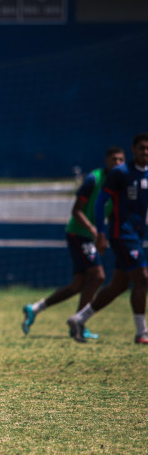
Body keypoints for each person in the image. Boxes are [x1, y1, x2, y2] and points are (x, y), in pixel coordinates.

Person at [21, 146, 125, 337]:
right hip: (79, 233)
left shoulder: (121, 184)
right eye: (114, 159)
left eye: (121, 160)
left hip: (92, 235)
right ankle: (79, 323)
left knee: (78, 284)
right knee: (99, 276)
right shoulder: (94, 179)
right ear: (106, 160)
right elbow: (76, 211)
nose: (117, 163)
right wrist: (94, 231)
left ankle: (35, 308)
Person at [67, 133, 148, 344]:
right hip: (121, 233)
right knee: (143, 277)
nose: (145, 152)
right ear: (133, 149)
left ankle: (79, 318)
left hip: (137, 235)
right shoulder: (121, 173)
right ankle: (142, 333)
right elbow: (100, 202)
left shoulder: (146, 175)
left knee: (118, 285)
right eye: (142, 147)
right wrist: (101, 233)